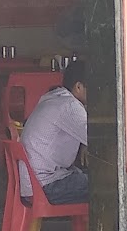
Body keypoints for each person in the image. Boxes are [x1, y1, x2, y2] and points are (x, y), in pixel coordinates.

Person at [17, 59, 90, 205]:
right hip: (45, 187)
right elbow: (99, 140)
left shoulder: (53, 97)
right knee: (107, 185)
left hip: (33, 184)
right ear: (78, 87)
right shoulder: (70, 106)